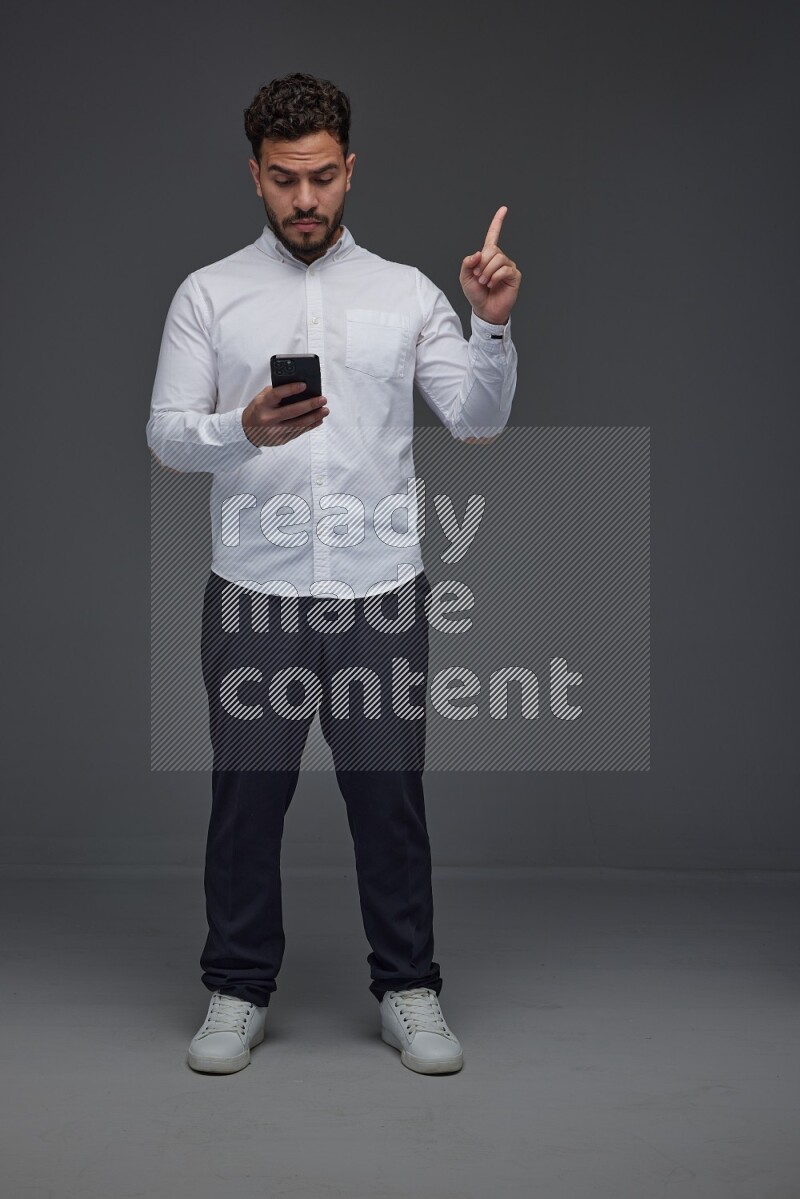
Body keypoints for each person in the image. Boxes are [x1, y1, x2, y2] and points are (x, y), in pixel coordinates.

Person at [146, 72, 521, 1076]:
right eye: (283, 179)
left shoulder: (405, 293)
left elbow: (477, 420)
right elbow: (166, 435)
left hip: (379, 593)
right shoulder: (210, 293)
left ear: (350, 169)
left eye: (320, 176)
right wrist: (241, 428)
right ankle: (236, 988)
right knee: (246, 802)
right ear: (255, 177)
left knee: (387, 798)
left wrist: (489, 325)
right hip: (254, 593)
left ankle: (407, 986)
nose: (304, 199)